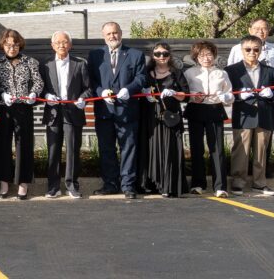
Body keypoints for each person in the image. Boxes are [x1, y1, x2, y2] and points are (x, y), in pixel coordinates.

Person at [87, 21, 147, 199]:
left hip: (127, 111)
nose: (112, 36)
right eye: (108, 34)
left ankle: (128, 185)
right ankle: (110, 184)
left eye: (115, 33)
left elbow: (141, 77)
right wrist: (100, 91)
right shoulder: (96, 55)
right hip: (104, 111)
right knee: (106, 149)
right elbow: (91, 79)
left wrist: (128, 89)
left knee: (128, 148)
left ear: (121, 33)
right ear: (103, 36)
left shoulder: (135, 54)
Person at [226, 18, 274, 176]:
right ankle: (239, 179)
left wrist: (268, 88)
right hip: (244, 105)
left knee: (263, 141)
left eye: (264, 28)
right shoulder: (236, 48)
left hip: (266, 102)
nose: (261, 31)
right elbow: (230, 75)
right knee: (242, 146)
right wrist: (240, 93)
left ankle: (262, 176)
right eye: (257, 28)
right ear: (249, 29)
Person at [0, 28, 43, 200]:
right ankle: (4, 183)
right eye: (8, 45)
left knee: (24, 145)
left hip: (23, 108)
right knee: (2, 145)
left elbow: (38, 82)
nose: (11, 48)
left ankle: (23, 183)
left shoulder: (30, 62)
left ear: (20, 45)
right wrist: (2, 94)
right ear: (2, 46)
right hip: (3, 108)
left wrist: (33, 94)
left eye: (14, 45)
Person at [40, 31, 90, 199]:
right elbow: (41, 87)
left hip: (74, 112)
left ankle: (72, 185)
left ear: (70, 44)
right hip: (53, 113)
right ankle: (53, 187)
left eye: (65, 42)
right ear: (52, 45)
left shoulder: (80, 64)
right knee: (53, 151)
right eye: (58, 42)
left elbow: (89, 88)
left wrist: (83, 98)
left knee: (73, 150)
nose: (61, 45)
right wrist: (46, 96)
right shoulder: (45, 64)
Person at [136, 42, 188, 197]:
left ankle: (168, 186)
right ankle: (150, 184)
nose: (161, 57)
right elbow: (138, 89)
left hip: (170, 115)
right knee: (150, 149)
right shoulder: (146, 72)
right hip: (150, 115)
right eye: (158, 54)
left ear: (169, 55)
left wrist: (174, 93)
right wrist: (145, 93)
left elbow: (185, 95)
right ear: (153, 56)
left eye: (165, 54)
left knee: (169, 149)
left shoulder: (177, 73)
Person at [184, 40, 232, 198]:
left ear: (214, 56)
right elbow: (184, 93)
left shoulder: (222, 73)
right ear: (196, 57)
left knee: (217, 148)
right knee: (196, 148)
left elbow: (231, 95)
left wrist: (225, 96)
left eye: (209, 54)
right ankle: (198, 184)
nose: (206, 58)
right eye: (202, 55)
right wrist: (193, 97)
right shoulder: (189, 73)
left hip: (215, 109)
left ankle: (220, 186)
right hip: (196, 110)